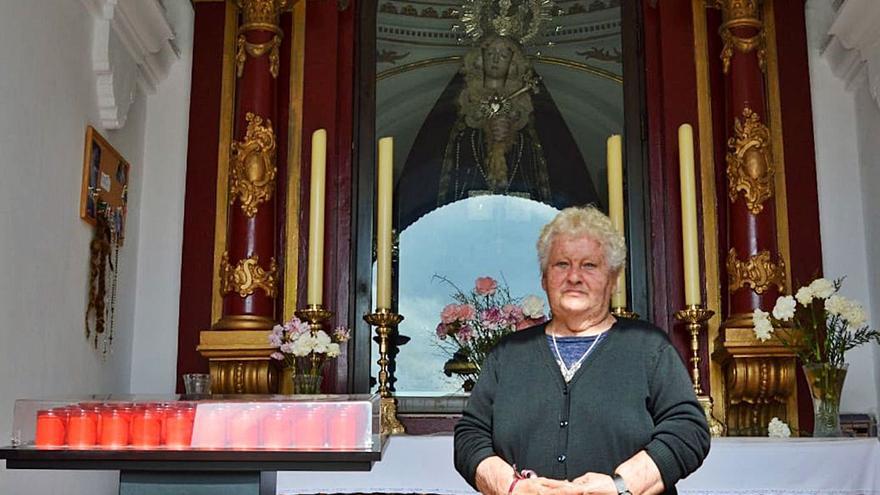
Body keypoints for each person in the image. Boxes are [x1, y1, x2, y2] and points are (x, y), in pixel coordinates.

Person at [454, 206, 710, 495]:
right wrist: (510, 487)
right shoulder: (507, 355)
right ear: (543, 279)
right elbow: (470, 437)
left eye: (589, 265)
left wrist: (621, 486)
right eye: (561, 264)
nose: (574, 276)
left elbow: (688, 430)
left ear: (613, 280)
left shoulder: (650, 348)